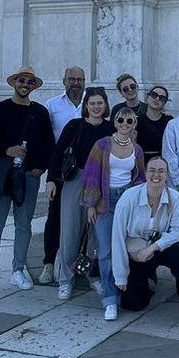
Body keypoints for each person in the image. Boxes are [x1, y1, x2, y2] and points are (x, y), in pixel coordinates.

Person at [0, 66, 54, 295]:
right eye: (22, 80)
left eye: (30, 82)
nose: (25, 84)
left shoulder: (40, 112)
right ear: (15, 82)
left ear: (33, 86)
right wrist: (7, 150)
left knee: (23, 225)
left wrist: (40, 167)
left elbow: (48, 143)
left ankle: (18, 270)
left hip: (28, 176)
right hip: (0, 173)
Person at [111, 156, 179, 327]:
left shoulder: (173, 197)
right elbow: (117, 237)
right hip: (137, 251)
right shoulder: (129, 197)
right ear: (145, 173)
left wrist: (153, 247)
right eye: (152, 170)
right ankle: (149, 281)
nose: (156, 175)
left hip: (162, 245)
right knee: (132, 304)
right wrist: (120, 276)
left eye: (161, 171)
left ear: (167, 175)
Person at [48, 86, 114, 301]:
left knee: (97, 232)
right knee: (70, 230)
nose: (96, 107)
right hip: (76, 179)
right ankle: (66, 279)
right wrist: (51, 180)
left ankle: (93, 276)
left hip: (102, 181)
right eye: (92, 103)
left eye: (100, 103)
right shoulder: (74, 126)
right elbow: (58, 153)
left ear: (105, 106)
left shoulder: (110, 128)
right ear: (86, 106)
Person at [81, 101, 146, 320]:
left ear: (134, 123)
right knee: (106, 250)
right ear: (115, 122)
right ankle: (109, 298)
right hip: (104, 201)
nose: (125, 123)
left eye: (129, 120)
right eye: (121, 119)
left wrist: (138, 201)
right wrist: (90, 204)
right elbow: (91, 174)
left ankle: (123, 289)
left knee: (124, 248)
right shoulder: (102, 145)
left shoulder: (136, 149)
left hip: (126, 201)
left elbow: (139, 178)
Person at [40, 66, 86, 285]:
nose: (76, 83)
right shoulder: (52, 106)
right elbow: (49, 143)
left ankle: (78, 263)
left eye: (79, 79)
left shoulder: (91, 102)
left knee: (84, 219)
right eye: (72, 79)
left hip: (86, 171)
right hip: (62, 170)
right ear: (64, 81)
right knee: (55, 217)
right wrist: (49, 176)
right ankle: (49, 263)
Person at [136, 85, 172, 164]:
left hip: (163, 163)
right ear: (148, 97)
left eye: (161, 98)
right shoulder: (137, 121)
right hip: (142, 163)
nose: (157, 99)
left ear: (165, 103)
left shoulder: (169, 122)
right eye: (154, 95)